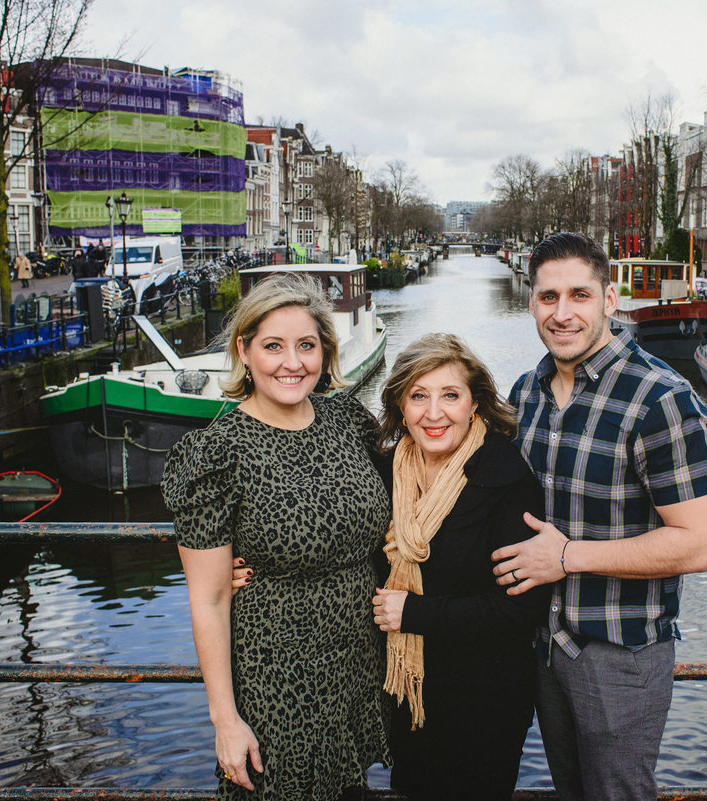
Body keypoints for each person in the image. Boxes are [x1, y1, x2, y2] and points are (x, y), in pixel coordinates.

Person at [490, 232, 707, 801]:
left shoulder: (661, 399)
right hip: (546, 645)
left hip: (621, 652)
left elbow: (698, 545)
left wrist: (566, 557)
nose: (562, 314)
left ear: (609, 300)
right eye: (548, 298)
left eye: (579, 295)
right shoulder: (528, 393)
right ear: (532, 302)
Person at [162, 272, 390, 801]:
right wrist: (226, 721)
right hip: (276, 673)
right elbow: (210, 596)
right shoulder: (216, 453)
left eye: (306, 345)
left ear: (325, 352)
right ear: (244, 351)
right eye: (273, 346)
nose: (293, 362)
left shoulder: (346, 421)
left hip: (355, 663)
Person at [370, 333, 548, 801]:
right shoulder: (385, 470)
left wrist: (414, 614)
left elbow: (519, 611)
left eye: (450, 395)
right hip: (407, 694)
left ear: (475, 404)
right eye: (418, 396)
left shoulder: (505, 478)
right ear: (399, 405)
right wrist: (249, 568)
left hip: (484, 702)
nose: (434, 413)